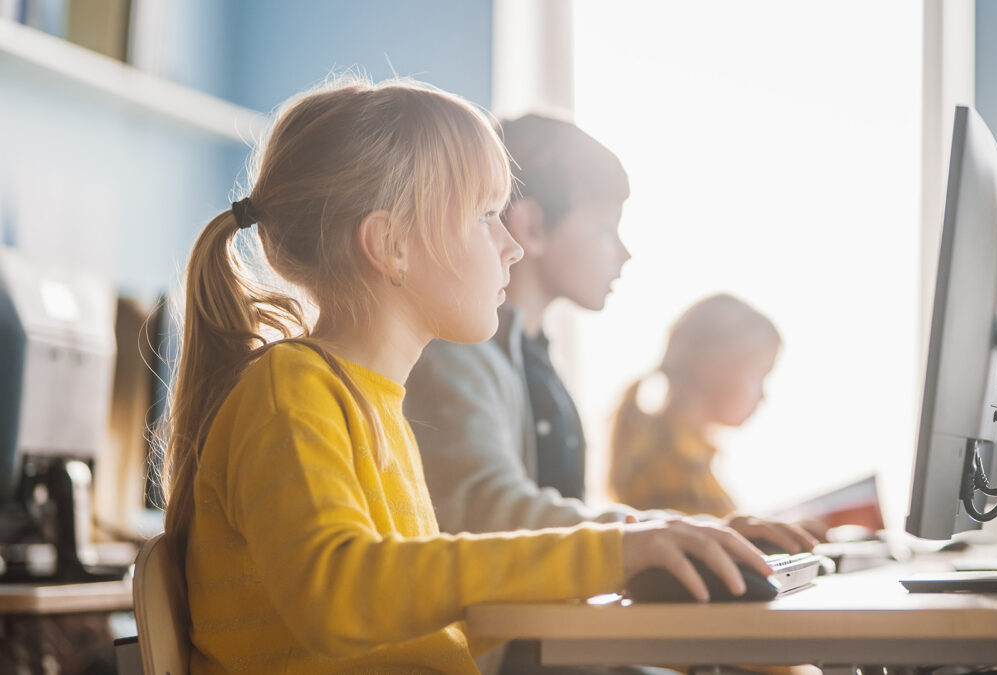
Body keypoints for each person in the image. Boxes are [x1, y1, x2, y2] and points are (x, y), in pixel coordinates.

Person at [161, 78, 772, 675]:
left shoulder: (368, 401)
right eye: (485, 214)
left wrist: (636, 554)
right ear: (391, 244)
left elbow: (416, 624)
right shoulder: (292, 392)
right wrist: (610, 553)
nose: (510, 245)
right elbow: (341, 597)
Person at [405, 114, 816, 674]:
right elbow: (487, 512)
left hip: (556, 642)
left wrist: (686, 534)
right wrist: (647, 536)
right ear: (533, 228)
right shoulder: (458, 355)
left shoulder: (535, 360)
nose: (622, 252)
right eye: (604, 228)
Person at [609, 294, 781, 516]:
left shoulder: (688, 457)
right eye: (760, 374)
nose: (763, 395)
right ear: (713, 368)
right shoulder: (669, 467)